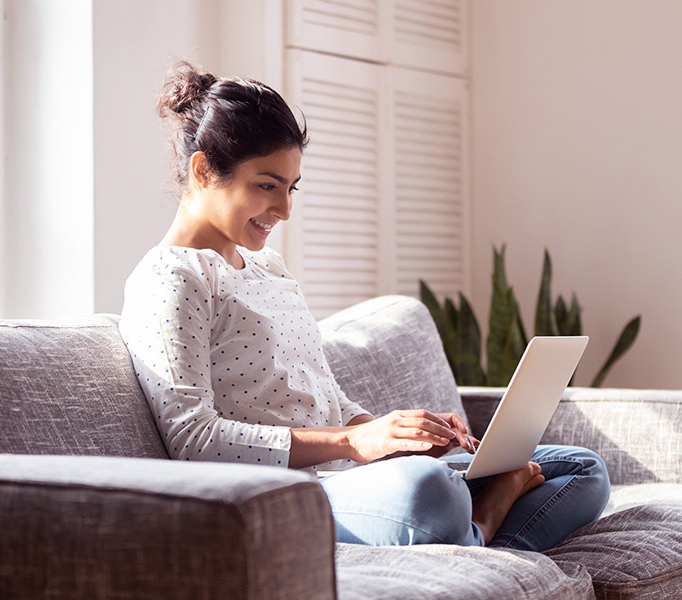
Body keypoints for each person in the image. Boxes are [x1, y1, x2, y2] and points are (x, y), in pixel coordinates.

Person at [118, 61, 610, 552]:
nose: (285, 210)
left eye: (291, 188)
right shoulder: (171, 278)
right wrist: (354, 444)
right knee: (430, 492)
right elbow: (194, 440)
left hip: (355, 481)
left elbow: (328, 401)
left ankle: (477, 547)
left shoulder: (269, 269)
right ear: (202, 170)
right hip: (286, 494)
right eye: (267, 185)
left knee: (582, 468)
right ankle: (484, 520)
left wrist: (396, 436)